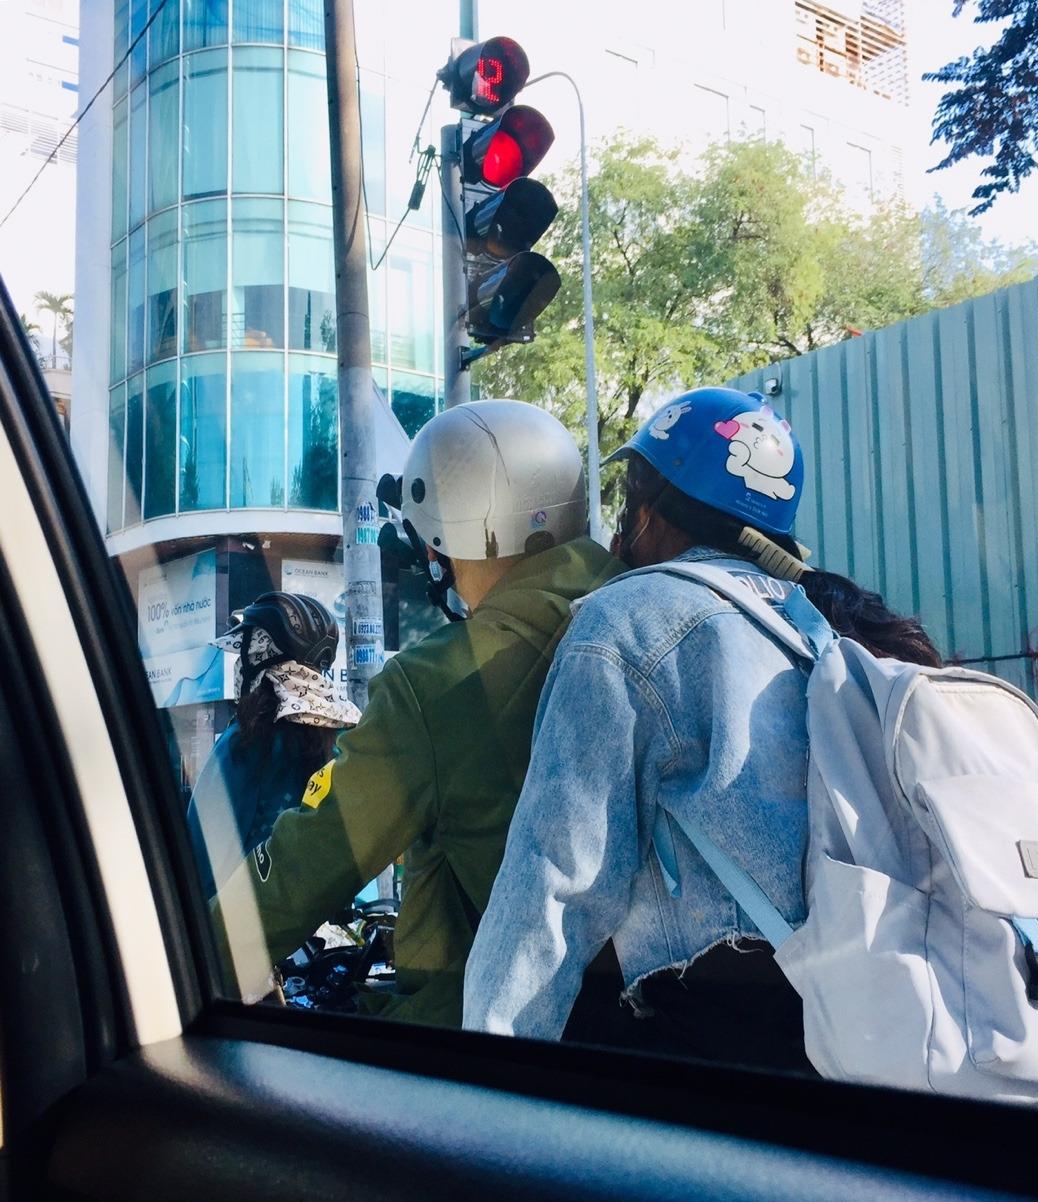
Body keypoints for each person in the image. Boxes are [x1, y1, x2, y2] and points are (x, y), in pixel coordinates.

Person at [462, 387, 941, 1071]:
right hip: (860, 1034)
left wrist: (484, 1081)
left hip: (716, 1048)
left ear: (652, 513)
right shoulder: (818, 622)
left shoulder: (629, 619)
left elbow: (555, 883)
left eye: (628, 505)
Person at [211, 400, 624, 1027]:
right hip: (651, 1024)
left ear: (444, 537)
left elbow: (304, 867)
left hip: (486, 1035)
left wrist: (183, 957)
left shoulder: (433, 684)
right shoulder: (642, 616)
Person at [187, 591, 359, 900]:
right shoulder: (342, 743)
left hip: (242, 917)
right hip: (320, 916)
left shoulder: (245, 743)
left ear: (258, 658)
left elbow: (200, 856)